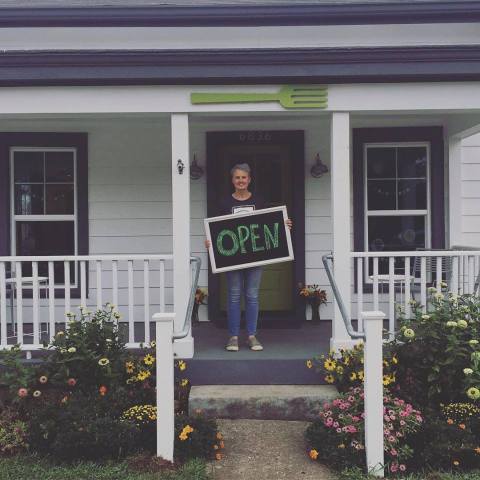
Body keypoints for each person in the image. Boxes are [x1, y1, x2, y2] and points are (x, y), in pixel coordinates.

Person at [205, 163, 292, 352]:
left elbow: (268, 224)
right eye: (237, 177)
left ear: (249, 179)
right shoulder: (225, 203)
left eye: (244, 177)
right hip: (233, 258)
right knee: (234, 296)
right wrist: (211, 241)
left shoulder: (259, 201)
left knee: (252, 296)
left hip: (255, 257)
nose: (241, 181)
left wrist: (283, 224)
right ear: (232, 181)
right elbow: (219, 228)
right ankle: (233, 337)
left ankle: (252, 335)